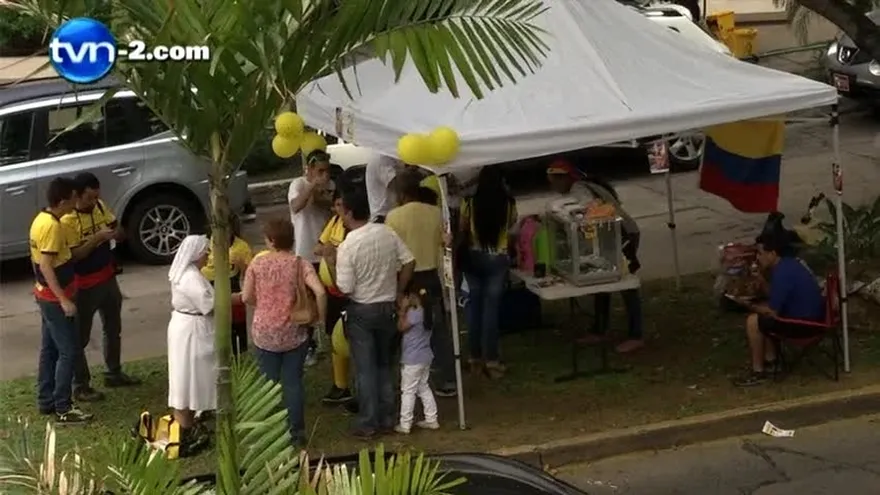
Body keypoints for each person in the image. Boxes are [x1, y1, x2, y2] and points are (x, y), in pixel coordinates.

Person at [235, 217, 327, 445]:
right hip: (293, 331)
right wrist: (320, 320)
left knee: (269, 382)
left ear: (272, 241)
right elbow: (320, 292)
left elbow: (246, 297)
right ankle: (296, 433)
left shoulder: (257, 264)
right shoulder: (300, 264)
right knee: (293, 382)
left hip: (264, 331)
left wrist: (264, 304)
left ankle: (272, 433)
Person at [336, 188, 416, 439]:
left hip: (362, 308)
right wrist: (399, 290)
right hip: (387, 305)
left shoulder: (349, 244)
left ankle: (368, 422)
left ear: (348, 212)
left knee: (365, 368)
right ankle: (387, 418)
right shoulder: (387, 233)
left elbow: (345, 287)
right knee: (384, 364)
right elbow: (409, 261)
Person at [546, 160, 645, 353]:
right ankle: (600, 329)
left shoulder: (579, 189)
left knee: (627, 284)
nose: (553, 186)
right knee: (602, 279)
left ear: (565, 178)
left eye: (554, 181)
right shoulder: (584, 185)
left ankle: (636, 334)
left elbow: (586, 211)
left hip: (623, 235)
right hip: (612, 235)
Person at [62, 173, 140, 404]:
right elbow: (74, 256)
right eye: (89, 198)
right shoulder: (68, 221)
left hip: (107, 279)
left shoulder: (100, 206)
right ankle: (80, 385)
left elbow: (119, 230)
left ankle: (113, 372)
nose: (93, 201)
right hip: (84, 286)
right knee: (80, 338)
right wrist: (96, 238)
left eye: (97, 196)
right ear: (77, 195)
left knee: (113, 328)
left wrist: (118, 233)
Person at [386, 168, 457, 397]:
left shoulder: (393, 217)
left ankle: (399, 378)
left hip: (406, 276)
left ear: (401, 193)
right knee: (437, 328)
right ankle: (447, 378)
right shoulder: (435, 212)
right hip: (431, 274)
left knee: (401, 328)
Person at [31, 177, 94, 423]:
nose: (75, 204)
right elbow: (46, 265)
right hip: (55, 300)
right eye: (73, 199)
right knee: (68, 352)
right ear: (63, 200)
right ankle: (63, 407)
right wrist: (63, 300)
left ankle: (46, 400)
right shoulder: (52, 227)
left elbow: (36, 261)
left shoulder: (40, 219)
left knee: (49, 350)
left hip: (45, 295)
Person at [734, 232, 826, 387]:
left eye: (761, 253)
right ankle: (771, 361)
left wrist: (746, 305)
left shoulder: (782, 273)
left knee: (753, 321)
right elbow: (776, 296)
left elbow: (772, 311)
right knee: (765, 320)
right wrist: (761, 281)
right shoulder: (789, 265)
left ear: (772, 253)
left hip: (805, 325)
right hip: (815, 318)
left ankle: (758, 371)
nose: (758, 257)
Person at [458, 166, 517, 379]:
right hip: (498, 258)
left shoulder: (469, 203)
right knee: (491, 311)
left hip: (473, 258)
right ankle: (491, 360)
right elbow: (511, 225)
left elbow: (462, 228)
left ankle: (474, 358)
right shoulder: (509, 204)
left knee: (473, 307)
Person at [166, 235, 215, 455]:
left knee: (188, 374)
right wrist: (239, 297)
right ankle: (184, 429)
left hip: (187, 327)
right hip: (191, 331)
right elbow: (210, 304)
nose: (208, 255)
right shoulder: (190, 278)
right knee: (186, 377)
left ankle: (190, 421)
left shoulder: (190, 274)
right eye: (206, 251)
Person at [288, 149, 334, 366]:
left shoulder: (330, 186)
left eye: (327, 171)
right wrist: (312, 187)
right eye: (320, 171)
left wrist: (320, 191)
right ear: (309, 169)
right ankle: (308, 347)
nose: (325, 175)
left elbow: (330, 206)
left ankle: (328, 335)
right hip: (305, 251)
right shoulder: (298, 184)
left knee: (328, 295)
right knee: (306, 299)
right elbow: (296, 207)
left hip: (326, 250)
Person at [314, 188, 353, 404]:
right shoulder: (335, 223)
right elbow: (318, 247)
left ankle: (358, 386)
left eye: (342, 205)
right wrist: (327, 251)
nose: (339, 209)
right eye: (336, 205)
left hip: (347, 290)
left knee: (349, 337)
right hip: (332, 292)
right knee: (334, 337)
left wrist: (333, 253)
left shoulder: (355, 229)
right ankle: (340, 385)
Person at [202, 214, 253, 355]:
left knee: (236, 325)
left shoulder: (241, 247)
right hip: (209, 285)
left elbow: (250, 273)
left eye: (225, 228)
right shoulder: (208, 243)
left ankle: (239, 354)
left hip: (232, 285)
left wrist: (240, 264)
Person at [394, 286, 440, 434]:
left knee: (407, 391)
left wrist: (402, 310)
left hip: (412, 358)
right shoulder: (428, 313)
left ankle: (405, 423)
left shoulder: (414, 313)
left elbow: (401, 327)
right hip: (425, 356)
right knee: (423, 387)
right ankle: (432, 418)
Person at [365, 153, 402, 223]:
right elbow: (398, 185)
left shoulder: (390, 158)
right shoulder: (383, 159)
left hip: (390, 215)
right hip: (384, 217)